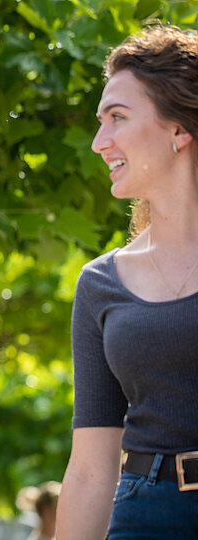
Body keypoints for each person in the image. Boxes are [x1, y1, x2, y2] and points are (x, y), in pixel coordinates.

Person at [57, 25, 198, 539]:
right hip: (145, 516)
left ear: (178, 129)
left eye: (117, 117)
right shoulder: (100, 283)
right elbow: (92, 469)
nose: (100, 142)